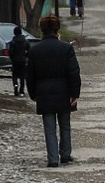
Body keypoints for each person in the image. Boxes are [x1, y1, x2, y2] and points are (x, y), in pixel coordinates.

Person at [26, 15, 81, 168]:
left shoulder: (35, 50)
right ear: (57, 30)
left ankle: (52, 159)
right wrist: (75, 93)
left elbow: (30, 76)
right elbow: (74, 72)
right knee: (65, 125)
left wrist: (33, 94)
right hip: (64, 91)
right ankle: (65, 154)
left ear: (42, 30)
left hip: (44, 93)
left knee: (49, 128)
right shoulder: (66, 48)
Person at [8, 26, 30, 97]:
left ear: (14, 33)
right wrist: (25, 56)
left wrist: (12, 58)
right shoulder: (26, 41)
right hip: (23, 61)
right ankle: (21, 91)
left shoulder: (12, 42)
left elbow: (10, 52)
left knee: (15, 76)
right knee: (22, 76)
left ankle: (16, 88)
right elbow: (29, 50)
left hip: (15, 61)